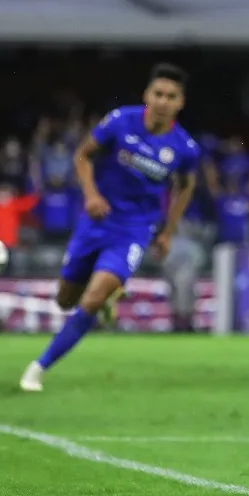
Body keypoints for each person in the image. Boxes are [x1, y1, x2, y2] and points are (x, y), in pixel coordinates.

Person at [20, 63, 200, 392]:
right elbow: (82, 156)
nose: (163, 101)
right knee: (65, 299)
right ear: (147, 95)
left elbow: (186, 186)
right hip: (96, 220)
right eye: (158, 93)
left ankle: (38, 368)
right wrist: (91, 194)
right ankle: (104, 297)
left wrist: (167, 231)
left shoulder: (184, 148)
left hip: (134, 229)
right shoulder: (120, 121)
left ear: (180, 103)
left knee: (91, 297)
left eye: (171, 96)